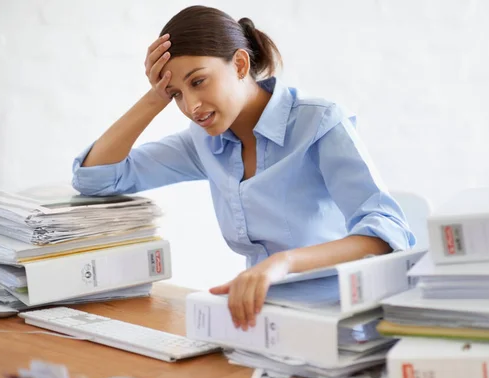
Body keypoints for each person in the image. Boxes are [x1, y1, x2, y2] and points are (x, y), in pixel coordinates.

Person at [71, 5, 415, 331]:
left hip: (342, 317)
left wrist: (283, 263)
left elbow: (387, 231)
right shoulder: (205, 142)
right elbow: (96, 177)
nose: (191, 106)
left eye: (198, 81)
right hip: (259, 320)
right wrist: (155, 97)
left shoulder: (318, 122)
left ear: (239, 65)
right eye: (177, 93)